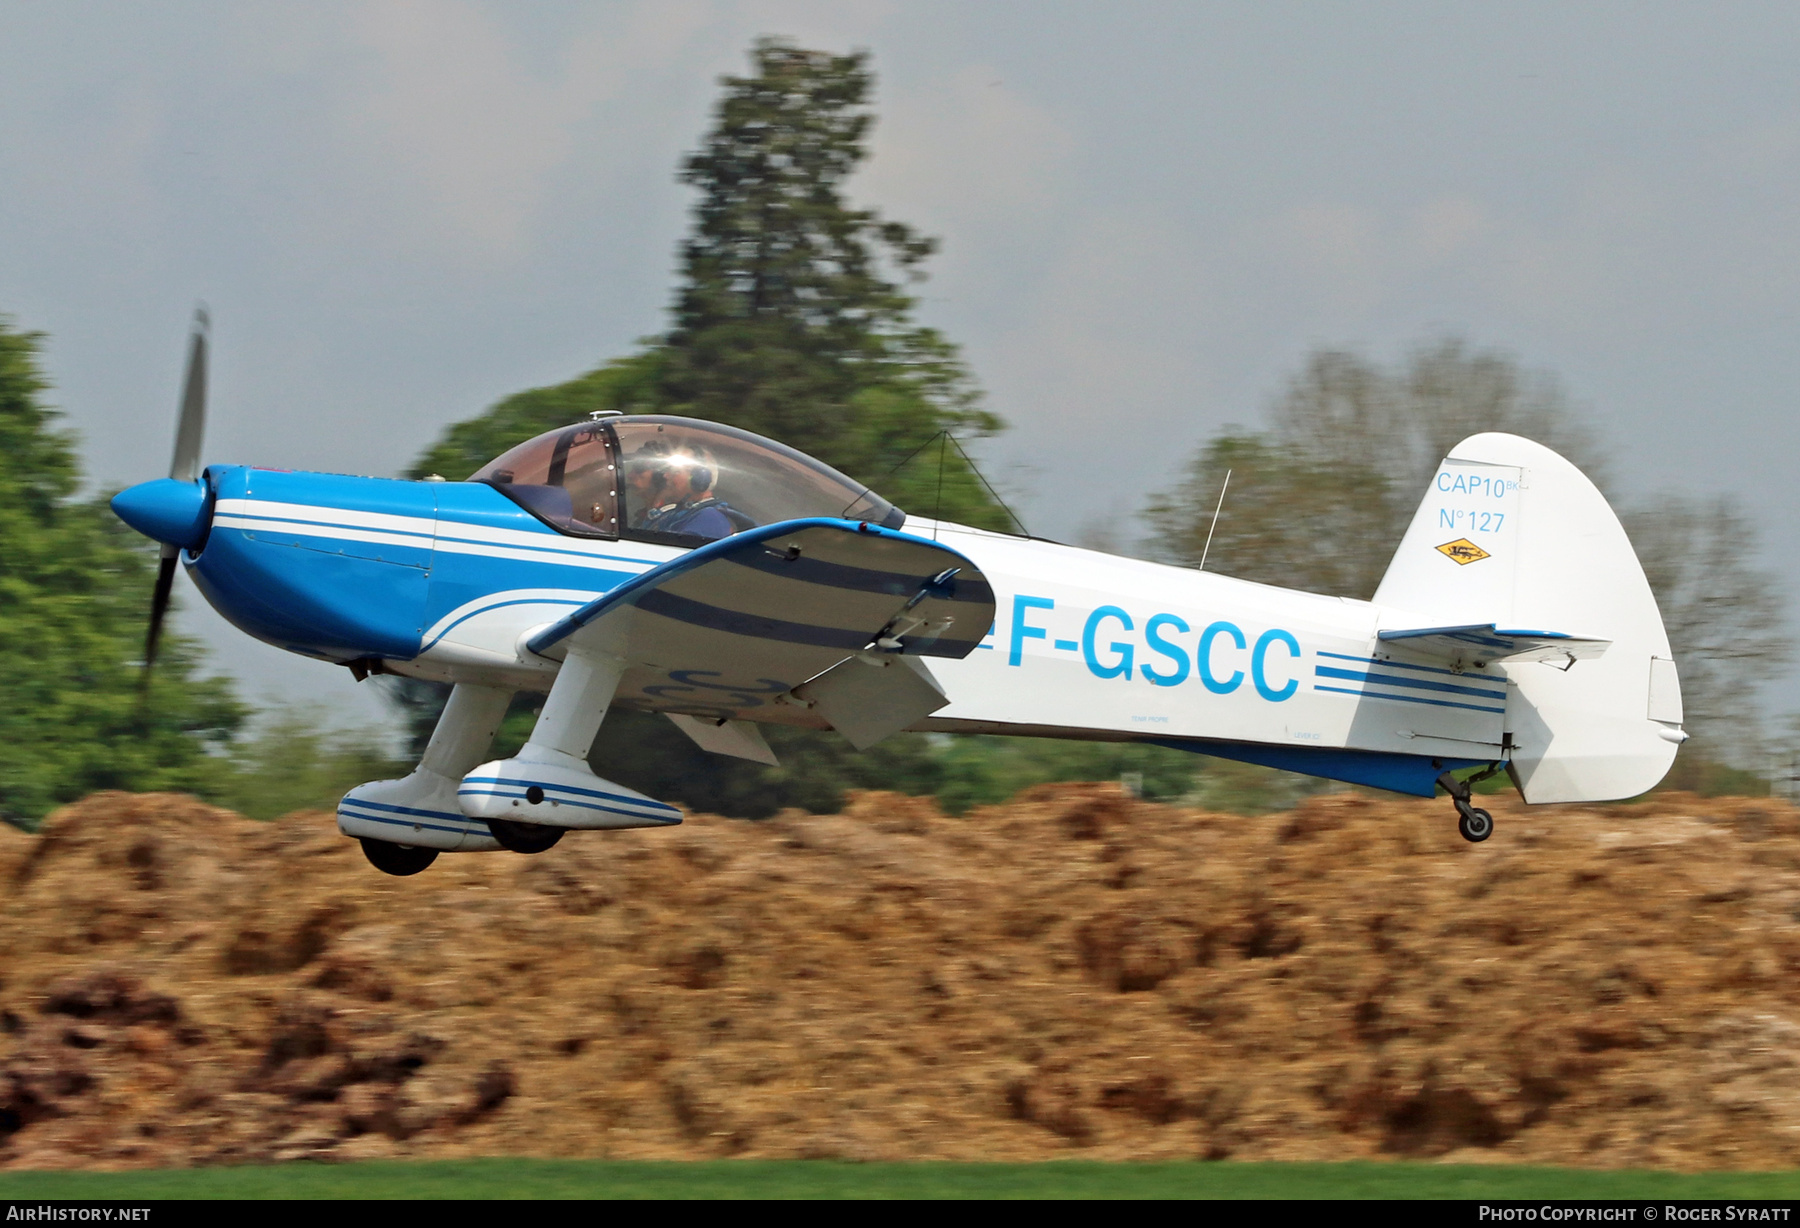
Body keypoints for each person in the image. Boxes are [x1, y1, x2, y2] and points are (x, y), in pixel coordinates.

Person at [623, 439, 752, 540]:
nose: (666, 475)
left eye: (675, 472)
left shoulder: (709, 518)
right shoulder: (675, 514)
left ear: (699, 478)